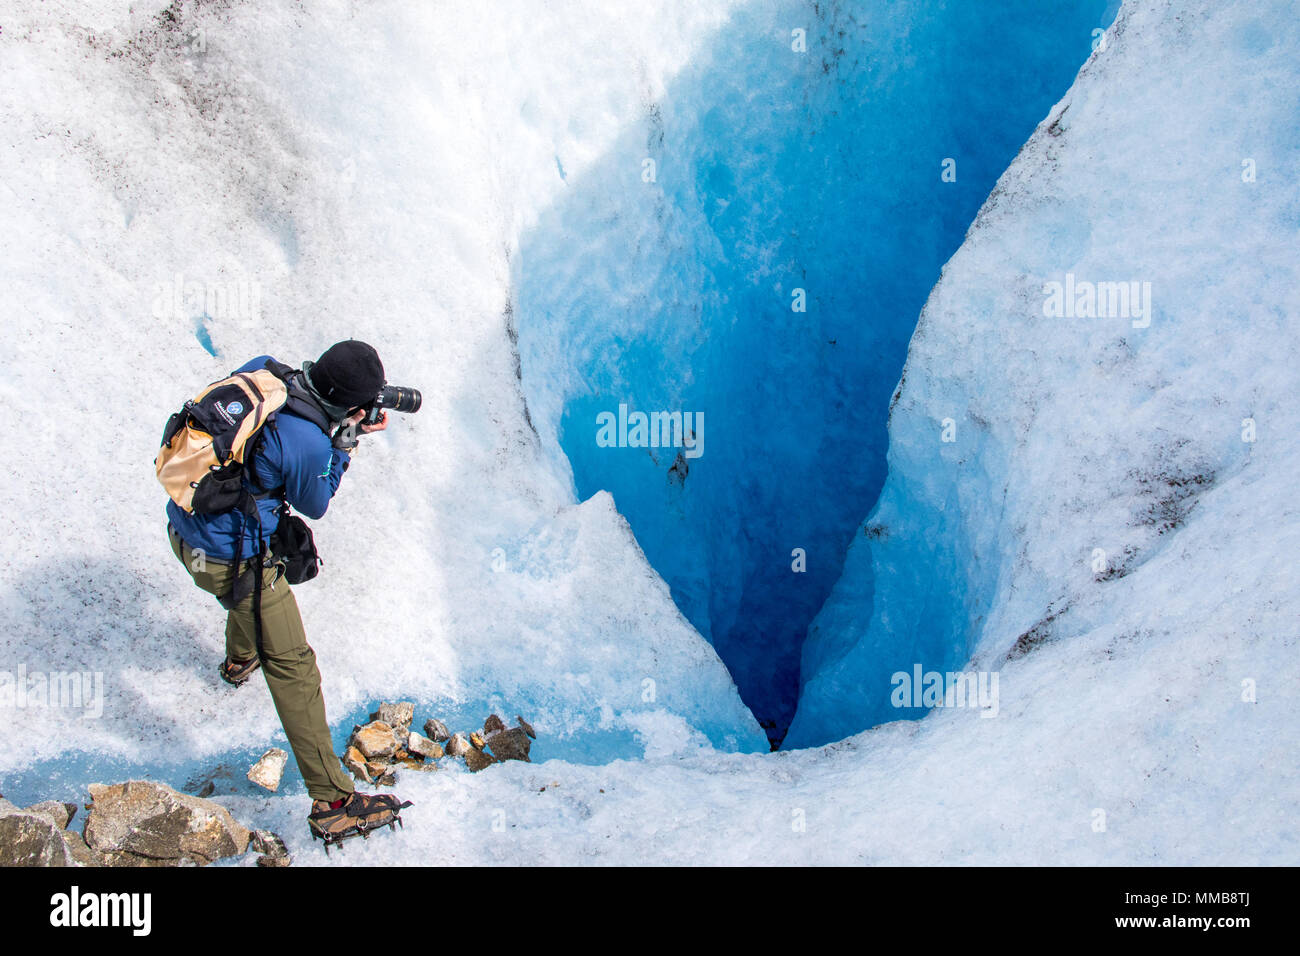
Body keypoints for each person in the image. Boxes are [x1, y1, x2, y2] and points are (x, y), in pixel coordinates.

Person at [166, 340, 409, 845]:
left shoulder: (266, 372)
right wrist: (344, 445)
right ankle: (334, 803)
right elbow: (316, 501)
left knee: (247, 603)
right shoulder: (308, 443)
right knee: (294, 665)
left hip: (186, 533)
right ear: (356, 409)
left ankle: (239, 660)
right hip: (230, 560)